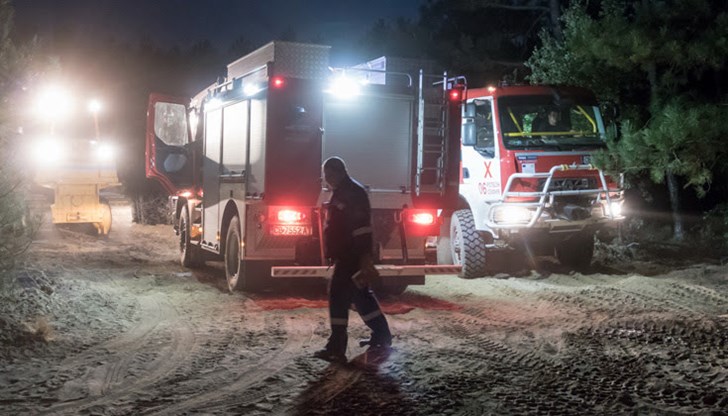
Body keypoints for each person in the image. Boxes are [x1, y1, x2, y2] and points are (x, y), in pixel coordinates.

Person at [314, 156, 393, 364]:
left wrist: (364, 257)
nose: (326, 179)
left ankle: (336, 346)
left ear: (334, 173)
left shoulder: (351, 193)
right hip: (351, 254)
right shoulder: (347, 191)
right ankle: (382, 335)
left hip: (351, 255)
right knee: (360, 296)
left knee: (338, 294)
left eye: (327, 175)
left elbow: (361, 228)